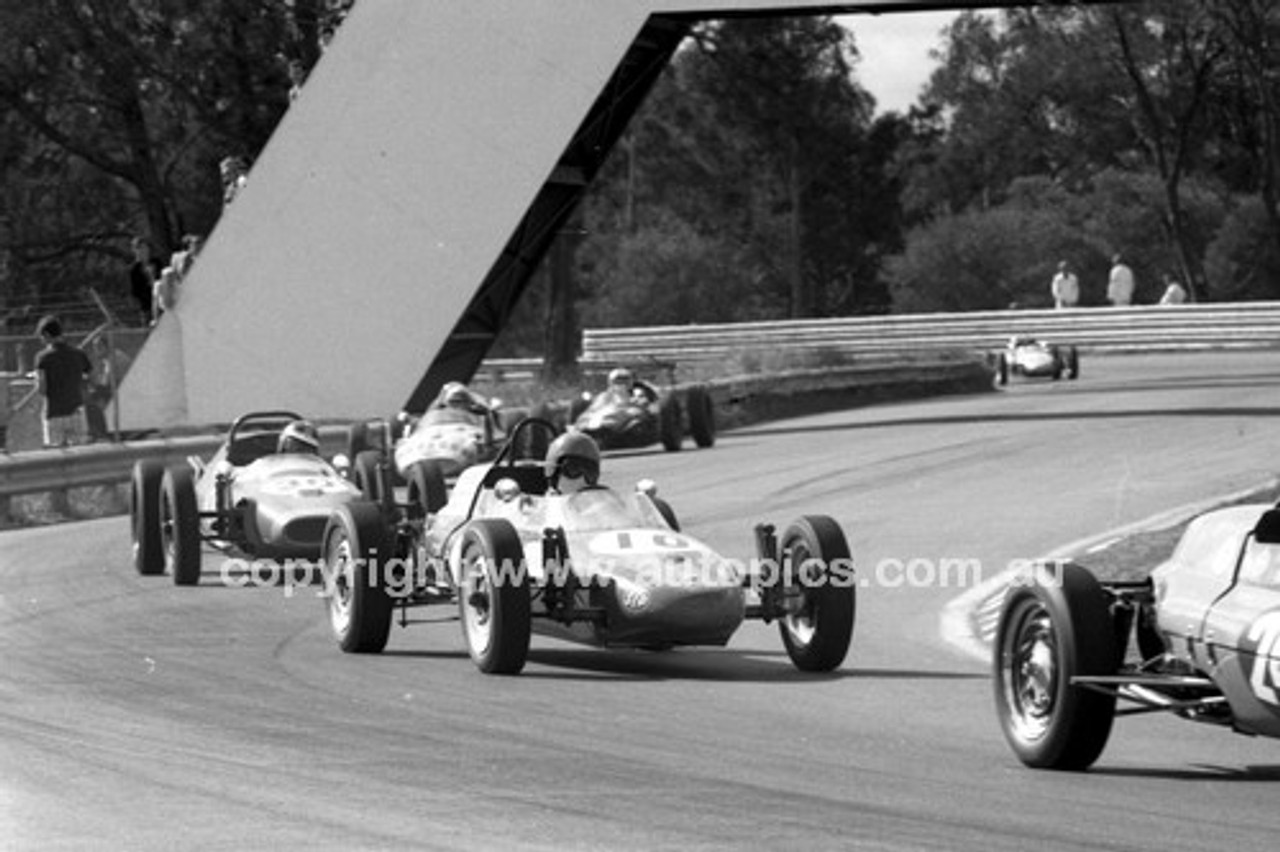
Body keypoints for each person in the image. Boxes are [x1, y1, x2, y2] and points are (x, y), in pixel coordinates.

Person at [33, 315, 92, 448]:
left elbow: (42, 389)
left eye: (41, 337)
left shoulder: (42, 358)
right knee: (81, 455)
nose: (41, 340)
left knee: (56, 459)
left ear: (47, 335)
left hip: (54, 413)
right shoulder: (79, 354)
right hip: (77, 410)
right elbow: (90, 376)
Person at [128, 236, 161, 326]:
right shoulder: (134, 269)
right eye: (139, 248)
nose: (143, 251)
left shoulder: (157, 262)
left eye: (145, 247)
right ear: (135, 251)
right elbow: (135, 291)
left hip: (161, 304)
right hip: (146, 307)